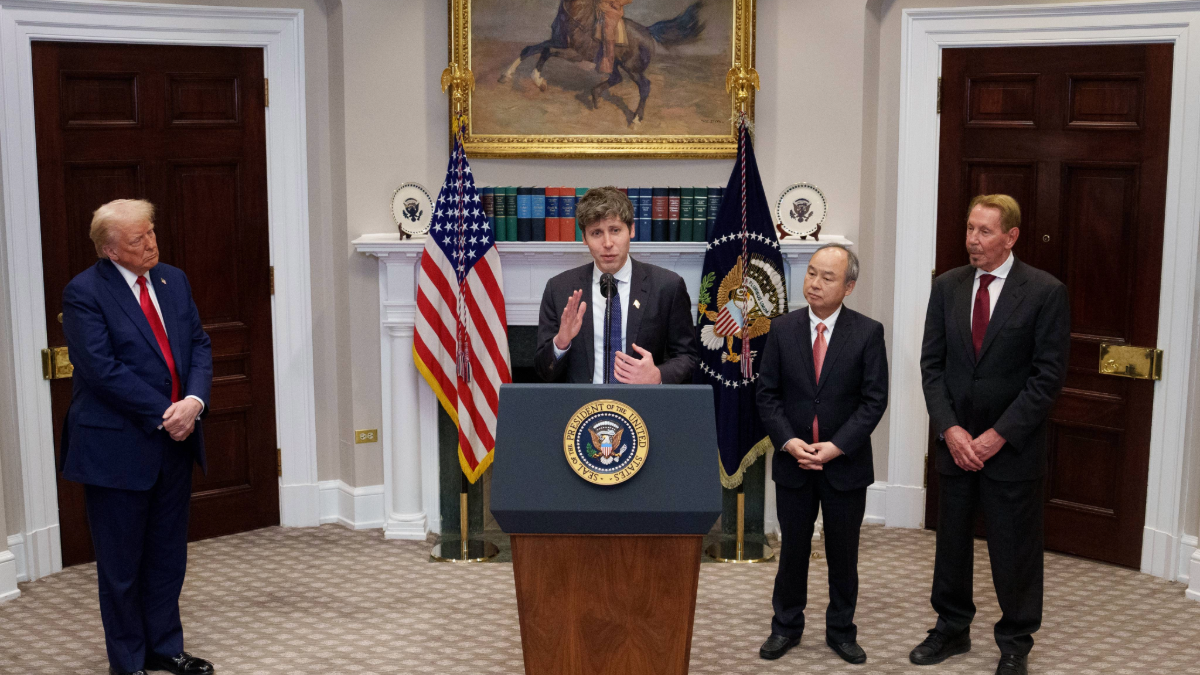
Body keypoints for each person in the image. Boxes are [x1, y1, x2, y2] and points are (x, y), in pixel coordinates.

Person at [912, 194, 1070, 675]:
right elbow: (932, 367)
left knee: (1014, 547)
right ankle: (952, 627)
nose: (972, 241)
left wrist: (996, 436)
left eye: (984, 231)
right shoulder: (948, 287)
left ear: (1011, 237)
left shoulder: (1044, 292)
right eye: (969, 229)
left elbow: (1047, 379)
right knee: (952, 542)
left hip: (1011, 448)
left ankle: (1016, 639)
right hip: (956, 444)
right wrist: (952, 429)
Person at [60, 199, 215, 675]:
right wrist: (166, 411)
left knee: (168, 556)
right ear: (109, 250)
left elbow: (199, 345)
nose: (150, 243)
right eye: (137, 239)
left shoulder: (173, 279)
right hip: (117, 446)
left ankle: (165, 646)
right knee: (121, 567)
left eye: (150, 232)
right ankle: (128, 663)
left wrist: (194, 402)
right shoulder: (84, 292)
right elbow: (100, 369)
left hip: (176, 439)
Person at [755, 244, 889, 664]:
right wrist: (788, 441)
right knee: (792, 549)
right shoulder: (782, 328)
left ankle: (841, 630)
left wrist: (836, 447)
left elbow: (873, 400)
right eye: (811, 273)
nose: (814, 283)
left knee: (842, 553)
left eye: (827, 277)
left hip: (844, 464)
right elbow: (767, 394)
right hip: (794, 460)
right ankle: (786, 626)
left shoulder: (867, 332)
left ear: (848, 287)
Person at [534, 186, 696, 384]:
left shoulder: (667, 286)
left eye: (615, 230)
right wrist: (561, 342)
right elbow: (544, 372)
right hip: (581, 409)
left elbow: (688, 358)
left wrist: (657, 376)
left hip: (641, 407)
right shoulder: (559, 289)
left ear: (632, 230)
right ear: (584, 238)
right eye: (596, 233)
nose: (608, 243)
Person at [595, 0, 632, 74]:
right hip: (599, 5)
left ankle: (608, 64)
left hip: (612, 9)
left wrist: (618, 3)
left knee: (608, 29)